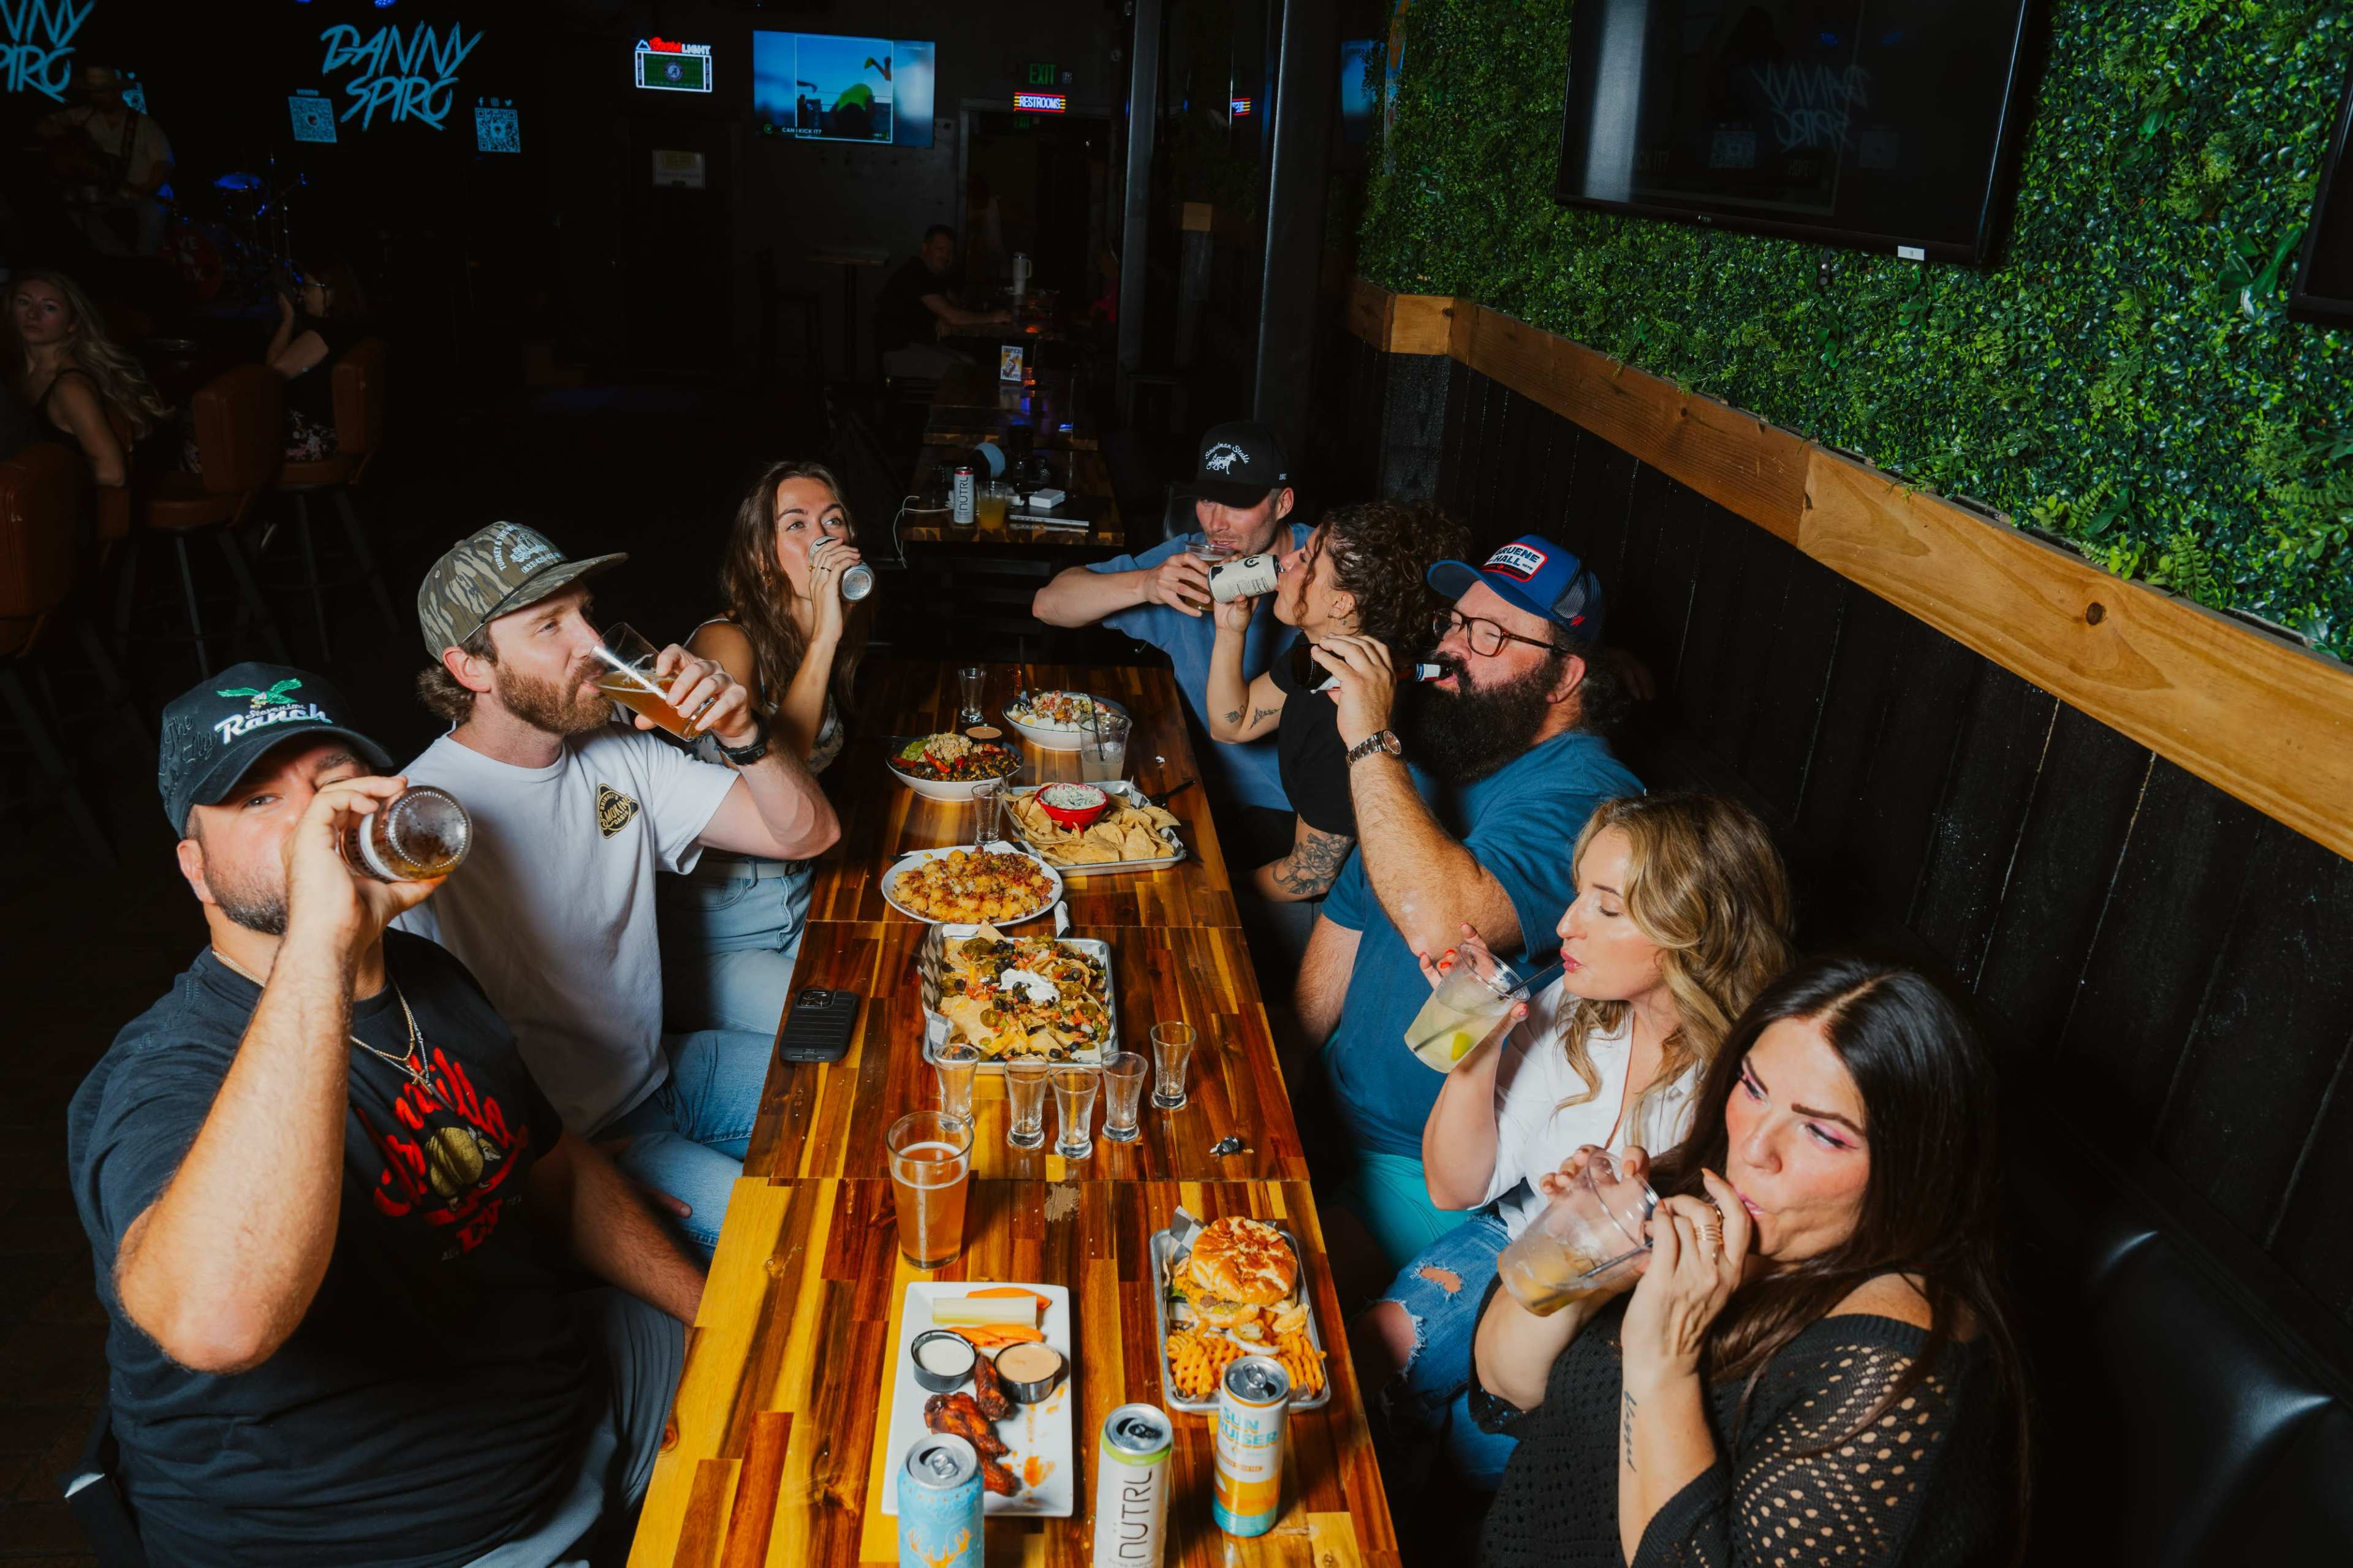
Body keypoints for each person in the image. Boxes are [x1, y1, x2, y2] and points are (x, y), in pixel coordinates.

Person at [67, 663, 704, 1566]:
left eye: (333, 781)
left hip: (566, 1407)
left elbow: (554, 1170)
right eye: (258, 800)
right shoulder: (163, 1072)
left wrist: (714, 1313)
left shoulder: (426, 978)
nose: (312, 823)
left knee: (811, 1362)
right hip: (411, 1538)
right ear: (196, 870)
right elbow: (218, 1323)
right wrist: (322, 942)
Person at [1471, 955, 2026, 1567]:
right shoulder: (1696, 1187)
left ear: (1914, 1167)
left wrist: (1664, 1362)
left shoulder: (1894, 1366)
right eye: (1754, 1088)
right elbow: (1505, 1381)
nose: (1756, 1146)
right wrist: (1590, 1253)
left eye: (1825, 1134)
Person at [395, 524, 841, 1259]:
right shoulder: (420, 822)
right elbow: (406, 1062)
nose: (591, 642)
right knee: (795, 1244)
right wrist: (551, 1171)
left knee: (864, 1091)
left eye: (584, 613)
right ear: (471, 668)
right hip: (582, 1142)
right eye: (550, 626)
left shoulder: (619, 751)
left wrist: (742, 732)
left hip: (663, 1073)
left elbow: (807, 835)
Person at [1357, 792, 1797, 1489]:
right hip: (1508, 1241)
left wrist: (1623, 1217)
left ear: (1692, 930)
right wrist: (1478, 1051)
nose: (1566, 924)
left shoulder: (1752, 1080)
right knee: (1368, 1356)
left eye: (1607, 908)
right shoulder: (1571, 1002)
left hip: (1617, 1312)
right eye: (1577, 893)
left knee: (1473, 1458)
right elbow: (1455, 1188)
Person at [1301, 533, 1640, 1282]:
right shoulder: (1447, 754)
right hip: (1328, 1107)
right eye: (1455, 622)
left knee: (1263, 1280)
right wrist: (1279, 1076)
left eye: (1491, 634)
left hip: (1425, 1169)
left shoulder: (1591, 801)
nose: (1453, 646)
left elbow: (1443, 922)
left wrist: (1368, 738)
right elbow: (1347, 920)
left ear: (1564, 676)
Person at [662, 461, 871, 1034]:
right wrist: (826, 635)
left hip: (797, 894)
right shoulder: (724, 640)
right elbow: (778, 773)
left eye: (834, 521)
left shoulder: (813, 638)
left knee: (890, 980)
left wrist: (826, 633)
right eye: (797, 524)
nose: (823, 538)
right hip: (721, 930)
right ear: (760, 556)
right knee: (839, 1028)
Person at [1205, 498, 1470, 947]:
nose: (1286, 562)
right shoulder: (1324, 652)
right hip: (1312, 877)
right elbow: (1235, 723)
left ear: (1342, 602)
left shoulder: (1346, 714)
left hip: (1351, 922)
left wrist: (1215, 887)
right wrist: (1231, 631)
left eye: (1306, 558)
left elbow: (1308, 878)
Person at [1032, 421, 1311, 844]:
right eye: (1207, 499)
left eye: (1237, 503)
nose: (1216, 522)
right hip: (1190, 788)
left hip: (1290, 813)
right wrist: (1145, 584)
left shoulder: (1322, 566)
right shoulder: (1188, 562)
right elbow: (1048, 604)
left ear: (1283, 503)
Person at [7, 267, 169, 490]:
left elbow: (113, 473)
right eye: (24, 302)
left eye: (49, 307)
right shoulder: (16, 374)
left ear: (72, 323)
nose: (33, 315)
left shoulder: (70, 387)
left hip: (58, 507)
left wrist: (36, 488)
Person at [37, 64, 174, 256]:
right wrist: (66, 142)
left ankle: (143, 262)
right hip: (102, 197)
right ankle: (116, 259)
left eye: (102, 92)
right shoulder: (81, 117)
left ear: (117, 92)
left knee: (152, 214)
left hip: (142, 197)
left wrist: (146, 190)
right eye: (94, 92)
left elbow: (163, 163)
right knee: (74, 211)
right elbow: (44, 127)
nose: (97, 97)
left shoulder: (145, 125)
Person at [875, 223, 1010, 378]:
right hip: (898, 352)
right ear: (925, 248)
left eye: (950, 252)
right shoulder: (916, 273)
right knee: (964, 372)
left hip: (918, 345)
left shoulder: (933, 275)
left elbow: (956, 305)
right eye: (940, 250)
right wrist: (993, 317)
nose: (946, 257)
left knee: (971, 363)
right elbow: (954, 315)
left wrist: (943, 315)